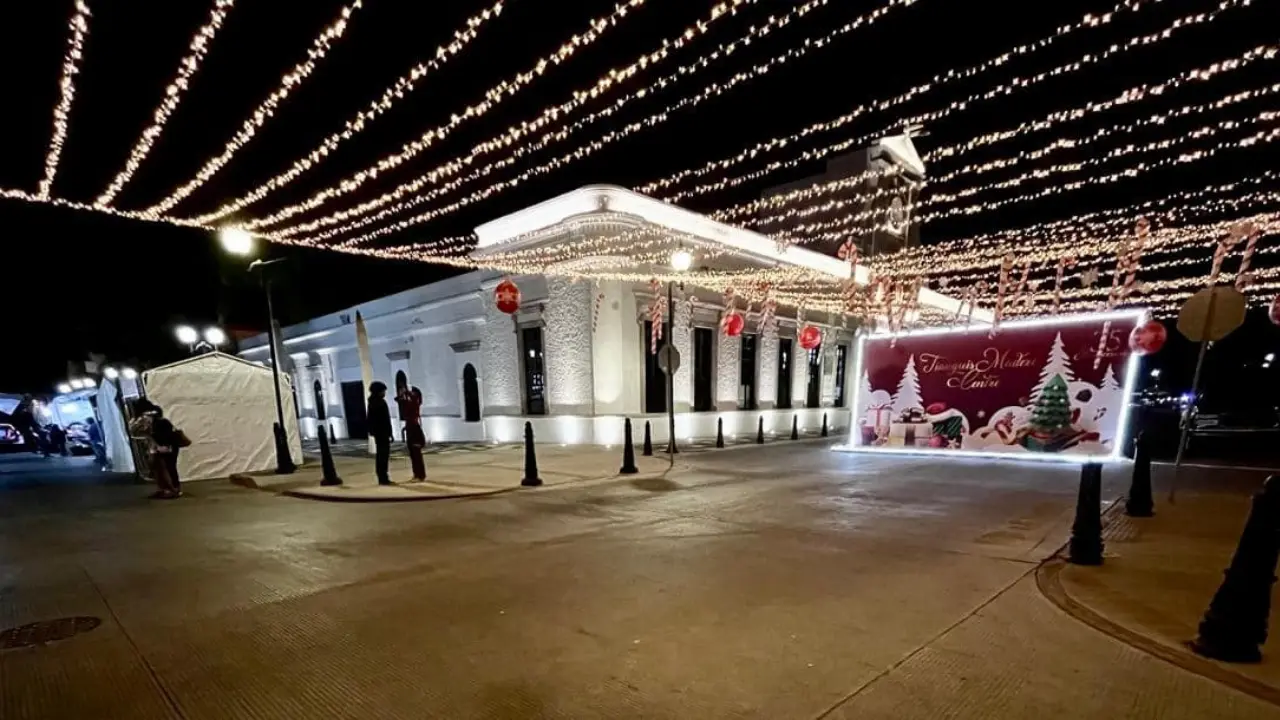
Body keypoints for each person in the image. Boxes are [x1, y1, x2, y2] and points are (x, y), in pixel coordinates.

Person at [367, 381, 394, 485]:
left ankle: (382, 476)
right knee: (383, 455)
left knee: (381, 455)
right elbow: (385, 419)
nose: (384, 393)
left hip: (379, 433)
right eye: (383, 391)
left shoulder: (372, 402)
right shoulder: (380, 403)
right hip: (382, 432)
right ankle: (383, 477)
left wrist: (372, 431)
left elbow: (370, 419)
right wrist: (389, 432)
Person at [397, 385, 426, 480]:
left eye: (413, 392)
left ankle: (420, 474)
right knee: (413, 454)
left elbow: (411, 398)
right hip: (410, 428)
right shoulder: (409, 403)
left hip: (414, 429)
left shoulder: (415, 403)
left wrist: (407, 392)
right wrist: (403, 394)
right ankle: (416, 474)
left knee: (416, 453)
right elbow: (399, 400)